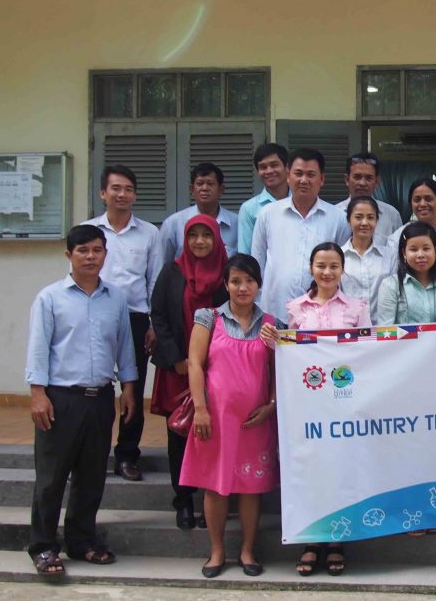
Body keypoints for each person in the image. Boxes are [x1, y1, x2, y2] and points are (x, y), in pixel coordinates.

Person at [26, 225, 138, 577]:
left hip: (100, 397)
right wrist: (37, 393)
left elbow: (124, 345)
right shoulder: (50, 297)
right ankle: (44, 547)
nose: (91, 257)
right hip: (60, 398)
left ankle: (82, 541)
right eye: (83, 251)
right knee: (51, 477)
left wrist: (129, 388)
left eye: (97, 250)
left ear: (106, 253)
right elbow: (39, 347)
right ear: (68, 255)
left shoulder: (117, 298)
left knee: (92, 476)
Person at [261, 242, 369, 576]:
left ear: (342, 270)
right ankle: (311, 540)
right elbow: (290, 352)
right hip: (306, 405)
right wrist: (275, 340)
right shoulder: (295, 308)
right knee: (310, 467)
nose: (327, 272)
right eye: (321, 266)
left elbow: (367, 351)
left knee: (339, 468)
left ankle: (337, 541)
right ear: (311, 268)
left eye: (334, 266)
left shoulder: (357, 306)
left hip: (343, 401)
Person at [180, 254, 280, 579]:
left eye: (249, 281)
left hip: (255, 420)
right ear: (226, 284)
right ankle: (217, 551)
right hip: (215, 419)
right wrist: (200, 408)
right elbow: (194, 364)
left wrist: (272, 404)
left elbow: (279, 370)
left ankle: (248, 550)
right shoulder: (208, 318)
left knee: (251, 488)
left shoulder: (271, 324)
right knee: (215, 487)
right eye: (236, 281)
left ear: (259, 284)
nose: (242, 287)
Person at [149, 214, 228, 531]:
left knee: (217, 434)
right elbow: (160, 316)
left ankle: (217, 500)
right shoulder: (172, 271)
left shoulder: (227, 273)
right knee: (180, 437)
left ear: (216, 239)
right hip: (179, 369)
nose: (199, 241)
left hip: (219, 370)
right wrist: (177, 359)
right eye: (193, 235)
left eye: (206, 235)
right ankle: (183, 501)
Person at [82, 164, 158, 483]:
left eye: (128, 189)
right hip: (94, 317)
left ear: (135, 195)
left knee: (133, 387)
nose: (122, 194)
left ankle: (127, 454)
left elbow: (154, 281)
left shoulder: (150, 233)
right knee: (92, 387)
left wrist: (155, 324)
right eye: (115, 188)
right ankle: (90, 455)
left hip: (136, 320)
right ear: (103, 193)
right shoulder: (88, 231)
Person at [251, 148, 349, 320]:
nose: (304, 180)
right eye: (298, 174)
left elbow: (343, 269)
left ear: (322, 179)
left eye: (311, 174)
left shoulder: (338, 218)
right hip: (274, 314)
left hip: (321, 318)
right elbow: (257, 264)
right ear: (288, 176)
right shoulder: (267, 214)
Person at [156, 163, 238, 272]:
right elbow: (162, 266)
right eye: (199, 184)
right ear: (192, 189)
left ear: (221, 190)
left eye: (210, 184)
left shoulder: (237, 223)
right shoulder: (173, 224)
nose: (204, 188)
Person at [376, 222, 436, 325]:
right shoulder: (391, 286)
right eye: (413, 249)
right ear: (404, 253)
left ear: (435, 250)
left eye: (426, 248)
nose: (420, 255)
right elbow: (385, 330)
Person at [339, 196, 395, 325]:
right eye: (358, 217)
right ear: (349, 220)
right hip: (347, 331)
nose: (364, 223)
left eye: (370, 217)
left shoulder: (389, 256)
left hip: (384, 331)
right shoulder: (338, 257)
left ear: (376, 220)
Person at [333, 153, 403, 243]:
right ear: (347, 179)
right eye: (357, 177)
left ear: (377, 181)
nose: (362, 183)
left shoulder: (391, 215)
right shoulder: (334, 215)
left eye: (369, 178)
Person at [237, 143, 289, 254]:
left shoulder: (300, 202)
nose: (269, 171)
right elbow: (245, 254)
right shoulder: (249, 209)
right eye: (263, 167)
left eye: (274, 165)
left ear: (287, 168)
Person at [388, 177, 436, 250]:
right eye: (417, 200)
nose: (422, 204)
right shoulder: (399, 235)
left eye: (428, 199)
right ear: (411, 203)